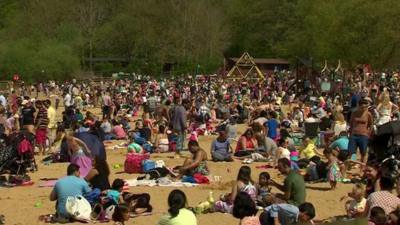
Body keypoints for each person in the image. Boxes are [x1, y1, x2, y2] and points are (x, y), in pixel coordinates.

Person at [348, 98, 373, 166]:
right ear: (359, 106)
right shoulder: (354, 113)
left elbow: (371, 125)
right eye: (362, 107)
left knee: (363, 153)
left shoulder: (368, 114)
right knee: (350, 152)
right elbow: (350, 123)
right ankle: (349, 166)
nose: (363, 108)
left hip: (363, 135)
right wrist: (350, 133)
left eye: (365, 107)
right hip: (354, 134)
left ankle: (362, 168)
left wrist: (368, 134)